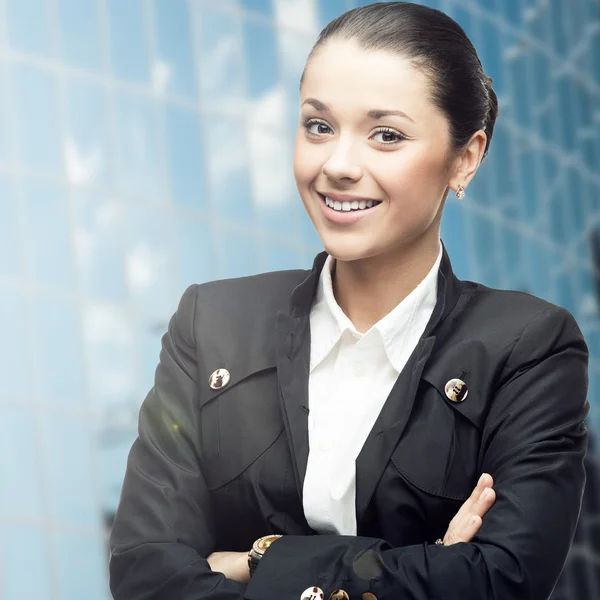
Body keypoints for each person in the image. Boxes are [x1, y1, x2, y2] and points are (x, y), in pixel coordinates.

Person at [108, 3, 590, 600]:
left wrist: (258, 561)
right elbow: (143, 573)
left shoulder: (528, 346)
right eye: (318, 126)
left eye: (386, 135)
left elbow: (503, 579)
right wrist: (420, 567)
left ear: (464, 159)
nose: (337, 165)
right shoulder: (211, 325)